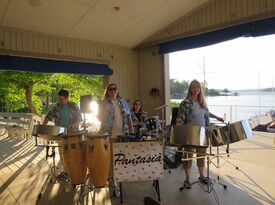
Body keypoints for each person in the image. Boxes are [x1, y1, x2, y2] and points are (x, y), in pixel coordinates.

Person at [176, 79, 223, 189]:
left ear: (200, 89)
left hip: (203, 133)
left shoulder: (202, 102)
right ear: (190, 89)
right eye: (193, 87)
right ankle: (187, 179)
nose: (196, 89)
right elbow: (180, 116)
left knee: (201, 156)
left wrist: (217, 118)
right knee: (188, 157)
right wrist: (178, 126)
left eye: (197, 87)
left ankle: (201, 176)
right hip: (190, 134)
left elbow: (207, 114)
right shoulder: (185, 102)